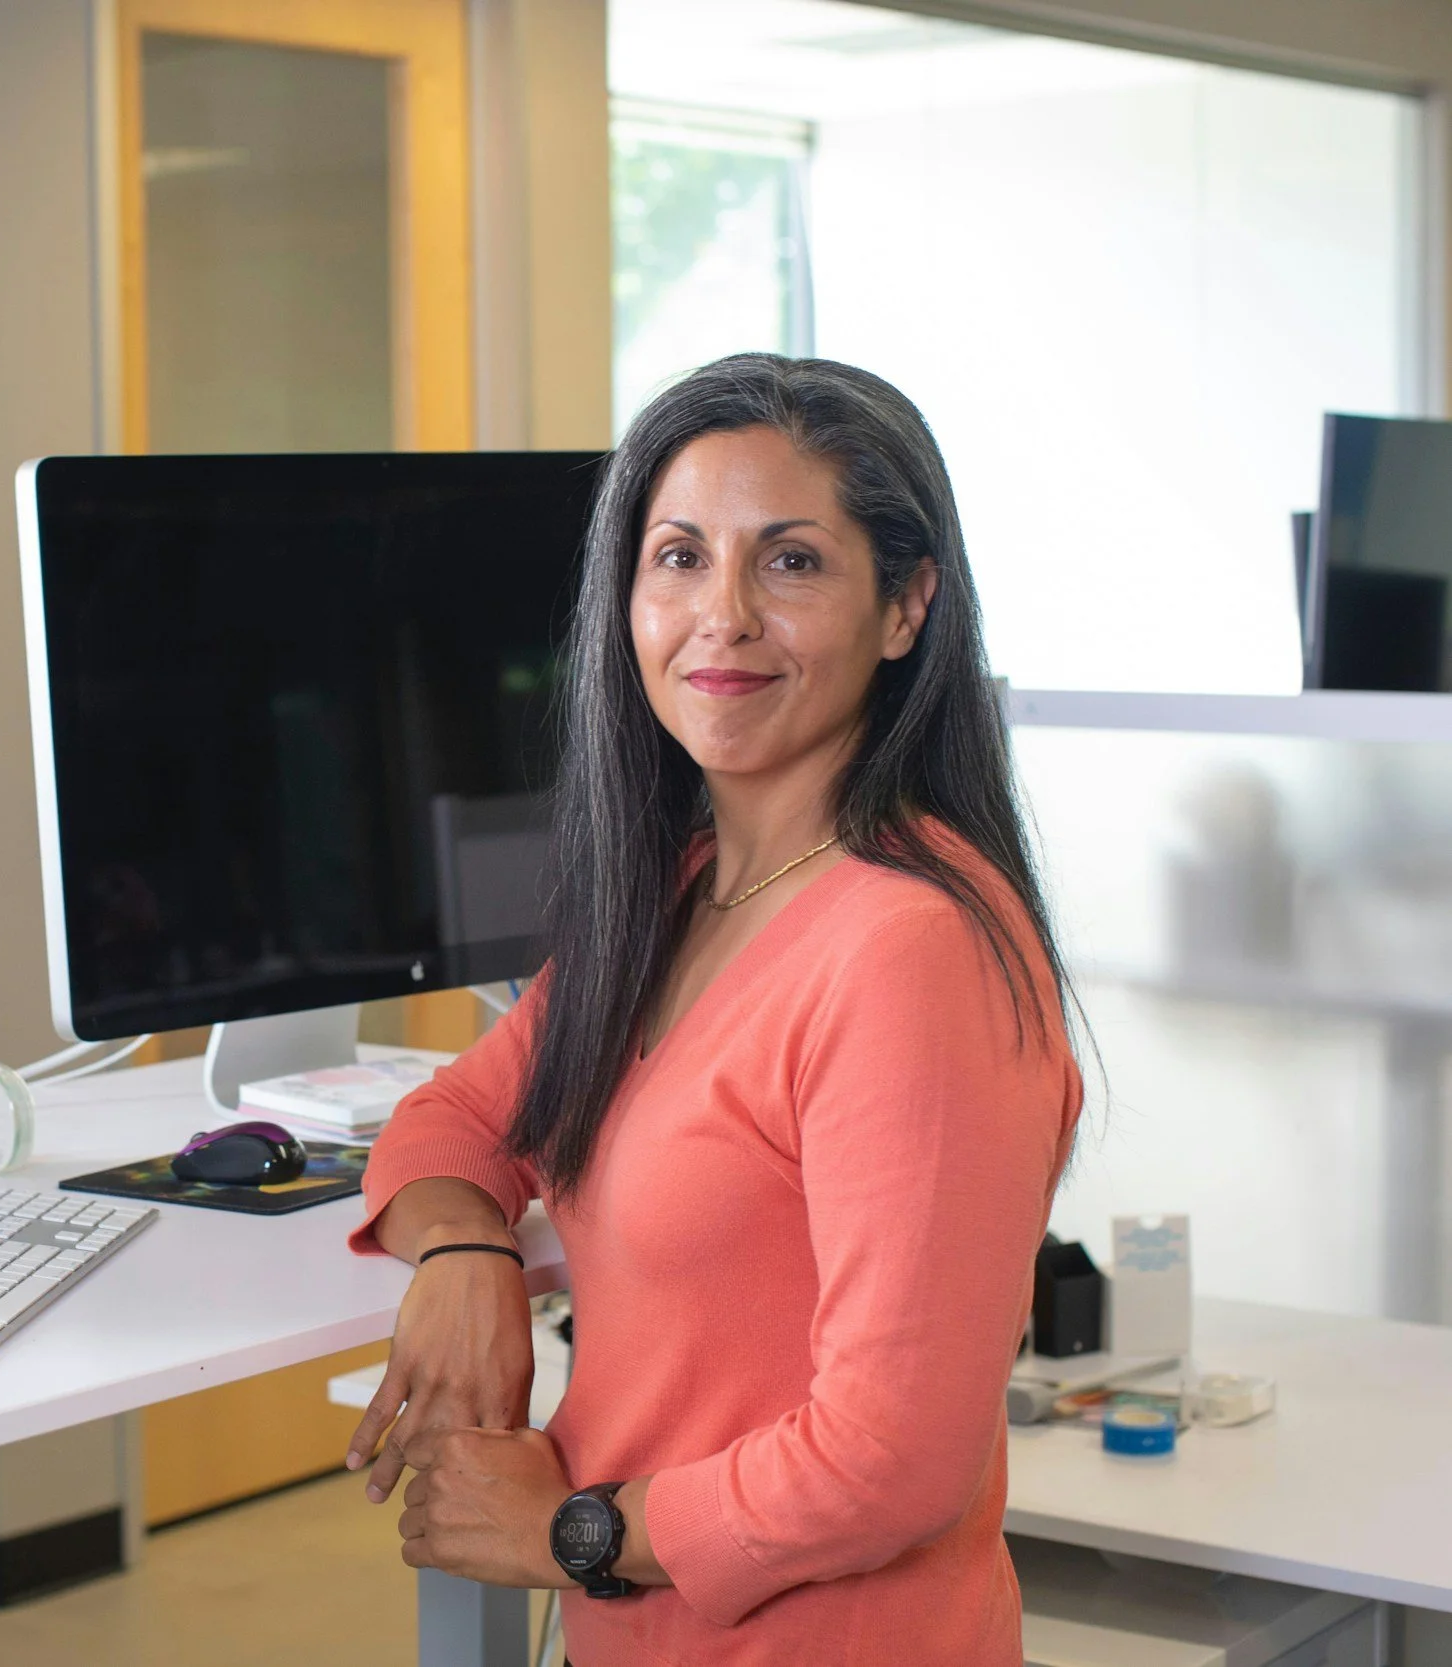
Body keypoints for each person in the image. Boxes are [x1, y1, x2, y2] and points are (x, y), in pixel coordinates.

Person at [343, 354, 1083, 1664]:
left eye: (791, 563)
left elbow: (892, 1454)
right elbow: (460, 1114)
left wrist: (575, 1531)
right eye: (679, 555)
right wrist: (467, 1256)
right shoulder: (683, 889)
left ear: (906, 605)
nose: (720, 616)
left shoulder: (911, 950)